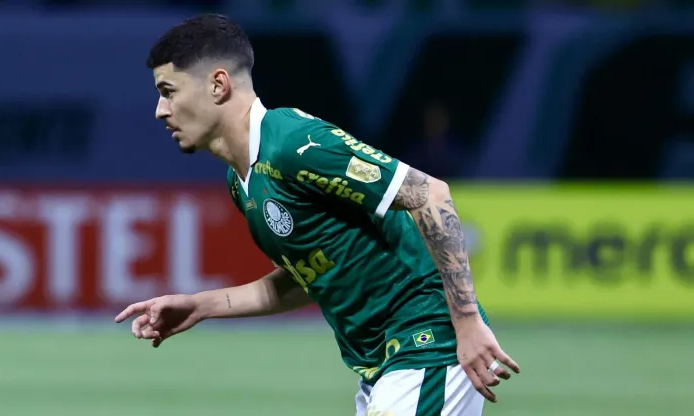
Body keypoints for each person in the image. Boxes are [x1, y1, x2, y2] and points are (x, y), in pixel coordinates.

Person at [114, 13, 520, 415]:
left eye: (169, 91)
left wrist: (465, 323)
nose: (160, 110)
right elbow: (307, 279)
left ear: (218, 85)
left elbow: (430, 195)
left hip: (428, 345)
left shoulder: (294, 143)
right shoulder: (241, 182)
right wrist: (200, 306)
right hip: (383, 367)